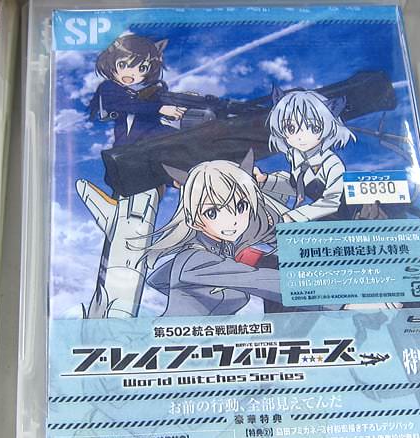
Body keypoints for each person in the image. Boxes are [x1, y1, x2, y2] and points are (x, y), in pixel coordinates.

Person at [144, 154, 287, 317]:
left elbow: (158, 280)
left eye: (241, 206)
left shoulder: (223, 251)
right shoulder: (197, 259)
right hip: (182, 332)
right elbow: (265, 281)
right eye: (212, 212)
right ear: (193, 220)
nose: (232, 220)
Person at [254, 88, 354, 222]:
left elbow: (331, 202)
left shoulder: (332, 164)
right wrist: (265, 179)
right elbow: (297, 186)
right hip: (318, 220)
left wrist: (293, 216)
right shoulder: (296, 157)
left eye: (314, 128)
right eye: (291, 128)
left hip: (349, 221)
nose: (301, 137)